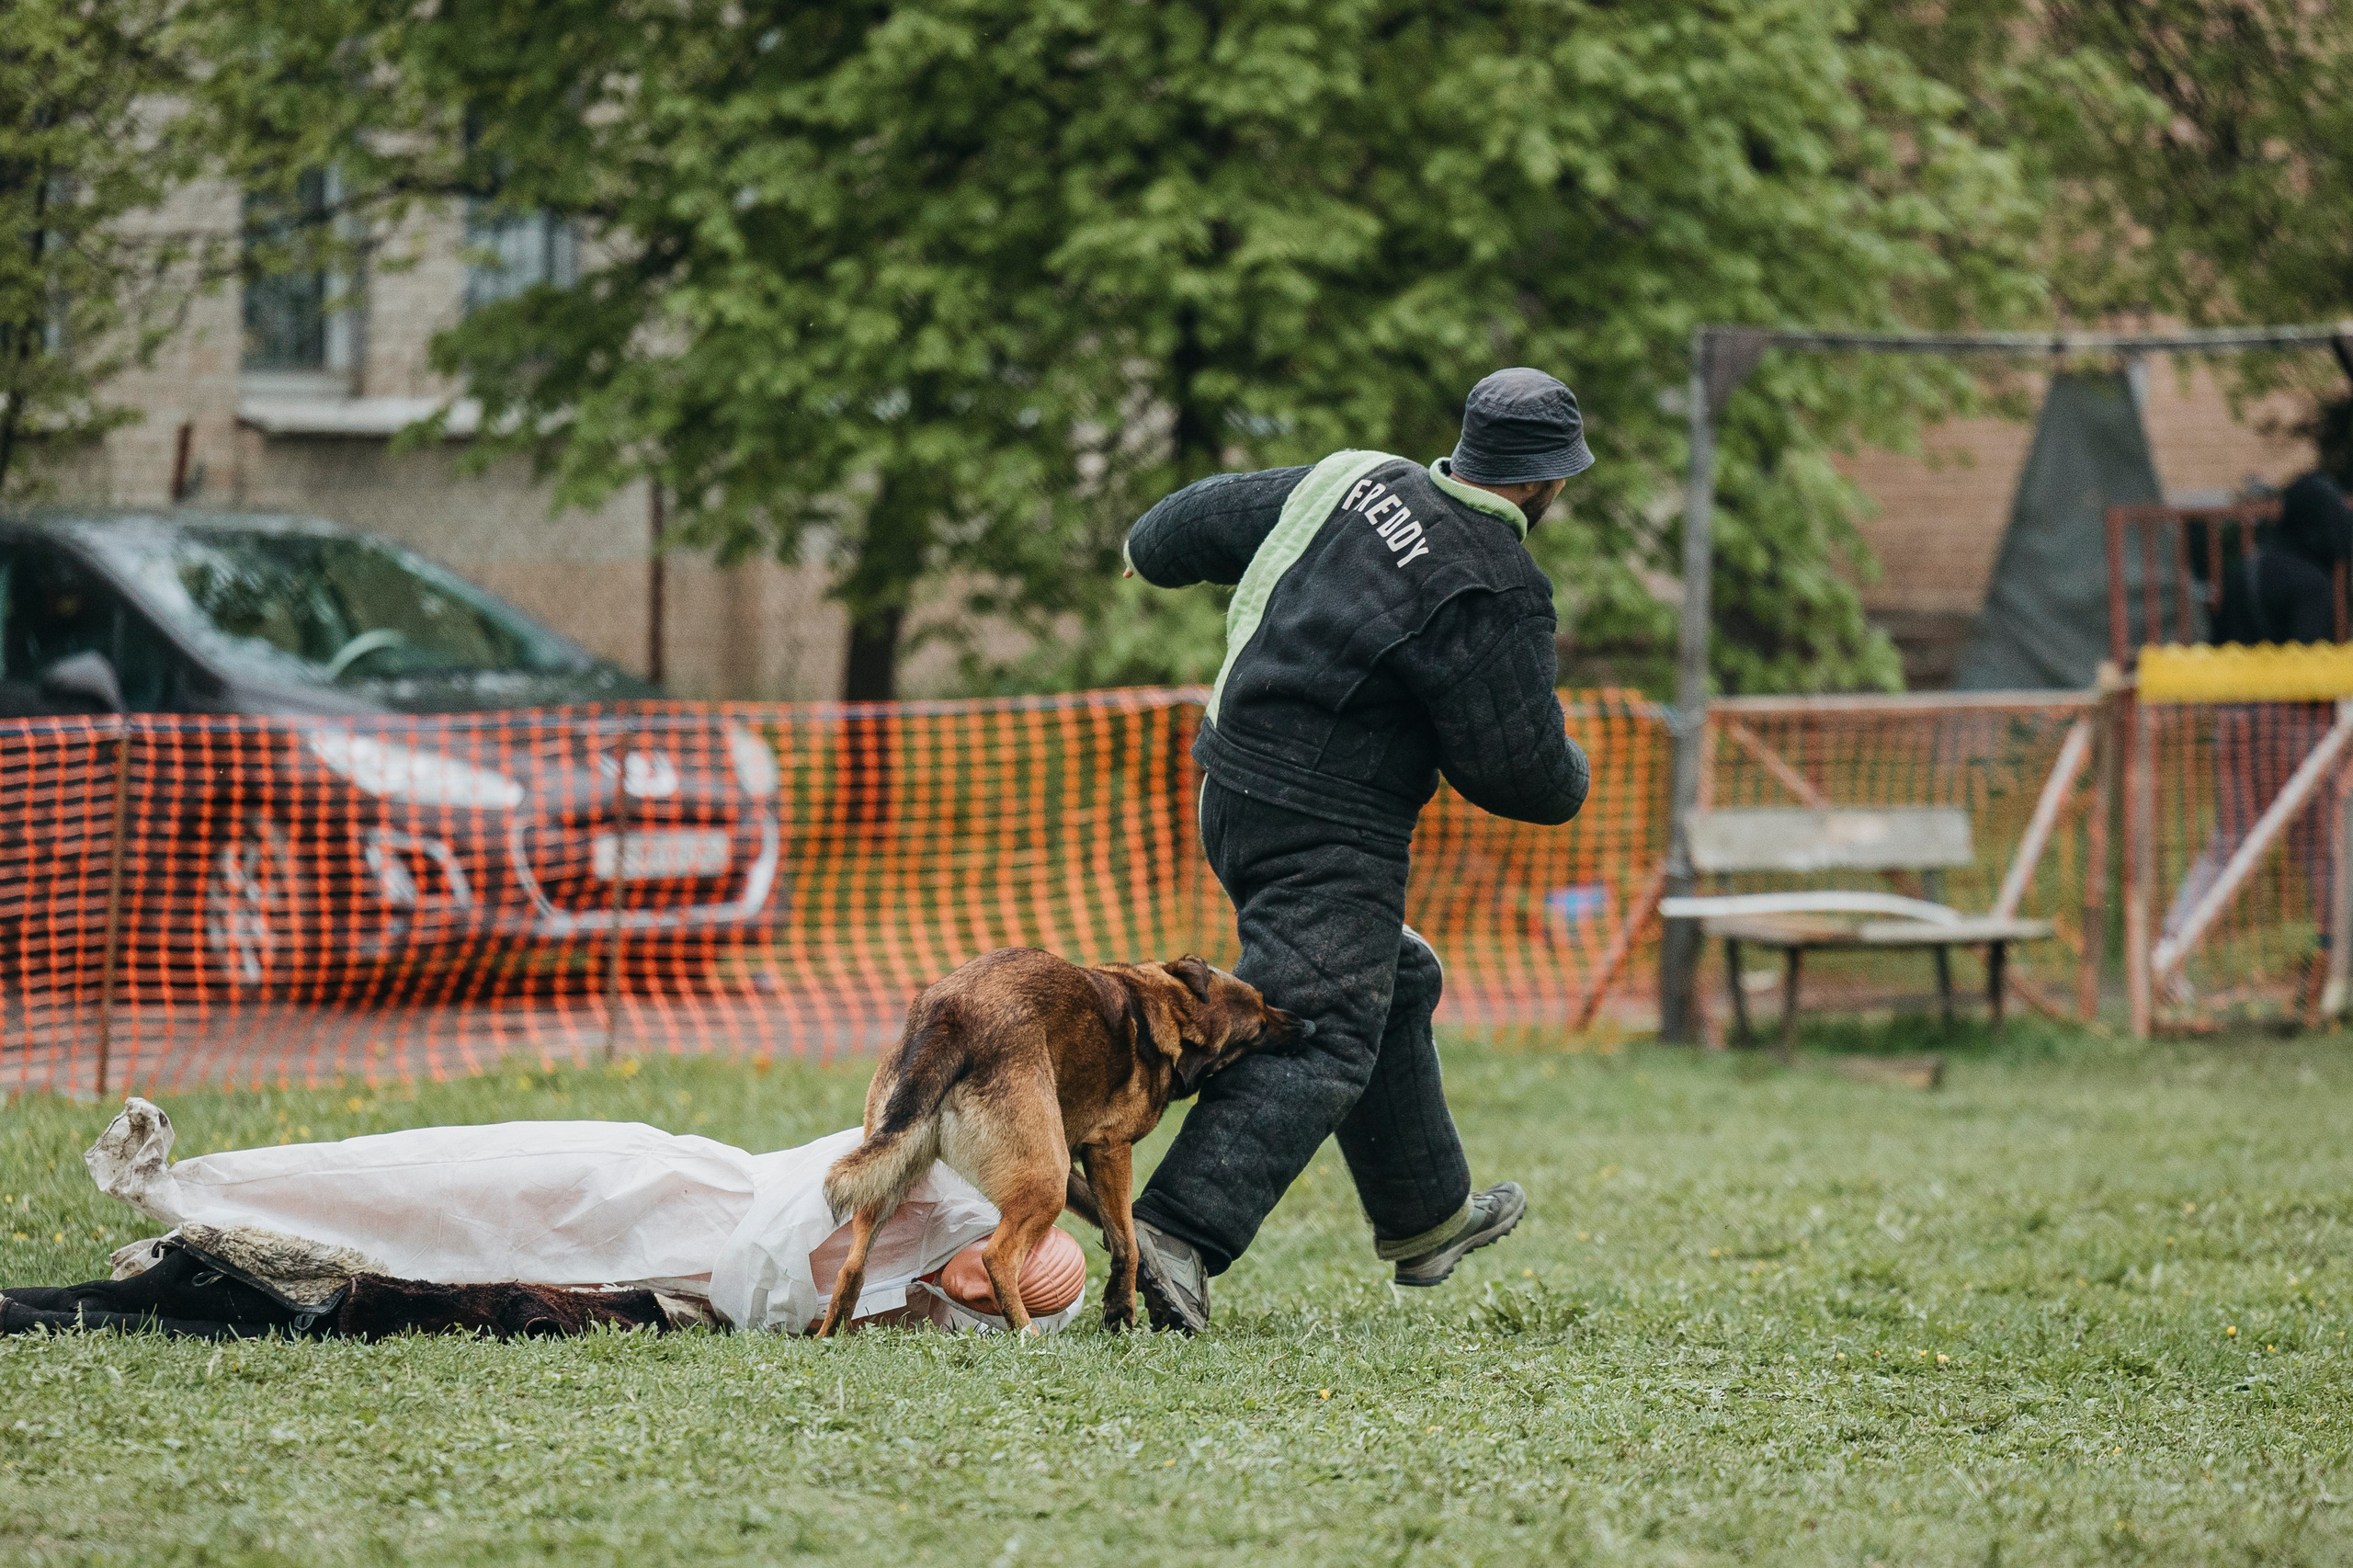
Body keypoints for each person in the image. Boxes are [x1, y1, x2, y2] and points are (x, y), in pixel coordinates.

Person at [1118, 368, 1594, 1332]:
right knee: (1324, 1025)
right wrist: (1575, 766)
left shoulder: (1357, 479)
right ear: (1547, 483)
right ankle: (1173, 1235)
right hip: (1323, 824)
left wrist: (1144, 548)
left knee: (1391, 977)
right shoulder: (1493, 583)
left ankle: (1426, 1217)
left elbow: (1207, 516)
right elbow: (1521, 777)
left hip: (1231, 787)